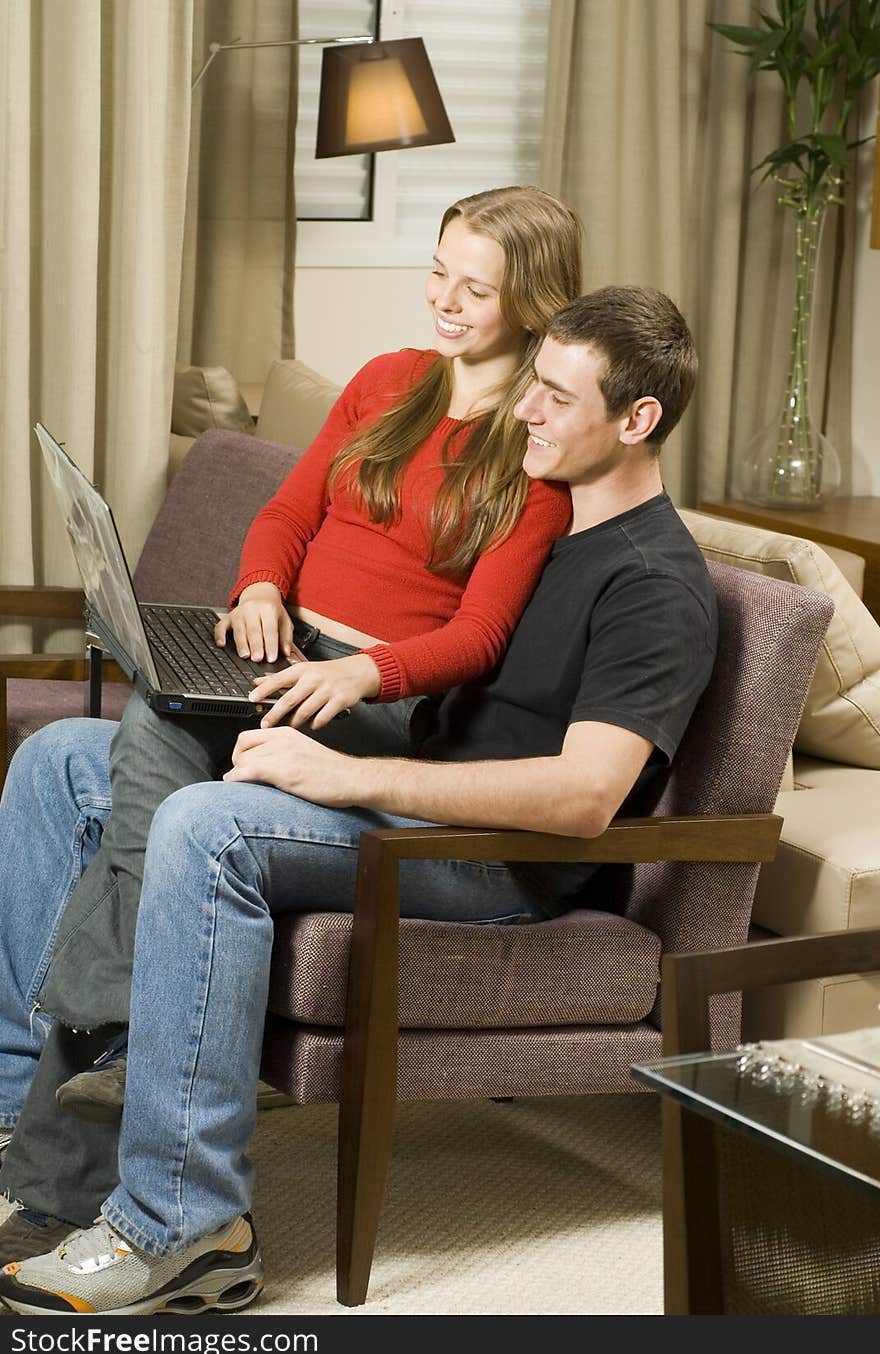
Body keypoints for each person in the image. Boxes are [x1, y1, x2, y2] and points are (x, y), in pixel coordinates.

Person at [0, 286, 717, 1316]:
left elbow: (583, 793)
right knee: (64, 758)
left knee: (207, 825)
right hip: (416, 799)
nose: (524, 412)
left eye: (555, 398)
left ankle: (183, 1220)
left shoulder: (655, 583)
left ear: (637, 419)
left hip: (488, 857)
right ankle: (20, 1131)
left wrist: (341, 774)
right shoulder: (546, 520)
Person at [26, 184, 584, 1129]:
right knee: (109, 737)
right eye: (438, 272)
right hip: (283, 645)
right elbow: (290, 512)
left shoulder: (530, 456)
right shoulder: (387, 381)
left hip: (374, 696)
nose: (445, 299)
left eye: (475, 289)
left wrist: (361, 670)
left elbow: (478, 636)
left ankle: (119, 1036)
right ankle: (73, 1066)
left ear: (532, 302)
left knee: (156, 722)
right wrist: (258, 589)